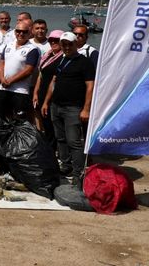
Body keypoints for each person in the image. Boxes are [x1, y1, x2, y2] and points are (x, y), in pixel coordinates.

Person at [41, 32, 95, 187]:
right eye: (63, 44)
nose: (66, 47)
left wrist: (86, 109)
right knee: (60, 139)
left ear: (75, 44)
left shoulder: (84, 62)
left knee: (74, 141)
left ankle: (78, 173)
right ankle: (66, 166)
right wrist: (46, 102)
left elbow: (90, 86)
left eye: (69, 44)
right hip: (56, 106)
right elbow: (53, 81)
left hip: (73, 108)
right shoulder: (62, 59)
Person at [0, 22, 40, 120]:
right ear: (15, 32)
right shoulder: (8, 45)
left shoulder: (32, 49)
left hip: (20, 91)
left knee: (19, 120)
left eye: (24, 32)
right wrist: (2, 78)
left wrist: (10, 81)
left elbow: (28, 70)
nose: (21, 34)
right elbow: (2, 63)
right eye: (18, 31)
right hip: (3, 88)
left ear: (29, 33)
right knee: (2, 118)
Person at [33, 30, 64, 148]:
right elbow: (41, 75)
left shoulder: (63, 57)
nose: (53, 43)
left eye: (57, 40)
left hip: (53, 96)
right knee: (45, 123)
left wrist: (46, 100)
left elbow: (55, 80)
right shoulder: (47, 55)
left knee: (54, 124)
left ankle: (55, 148)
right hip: (42, 93)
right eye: (51, 40)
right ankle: (50, 147)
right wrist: (35, 92)